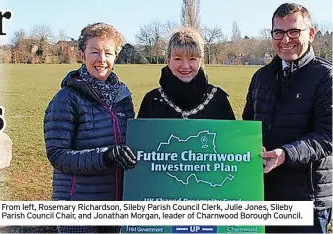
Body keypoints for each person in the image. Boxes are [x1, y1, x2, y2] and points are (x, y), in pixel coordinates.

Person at [242, 3, 332, 233]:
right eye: (278, 32)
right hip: (264, 194)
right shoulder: (261, 77)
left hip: (307, 198)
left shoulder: (326, 76)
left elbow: (327, 136)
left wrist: (286, 154)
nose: (285, 40)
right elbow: (248, 125)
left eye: (294, 32)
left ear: (310, 33)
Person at [43, 22, 136, 233]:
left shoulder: (123, 96)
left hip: (115, 205)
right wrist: (105, 156)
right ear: (82, 54)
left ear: (116, 57)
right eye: (94, 52)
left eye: (108, 53)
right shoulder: (66, 99)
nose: (102, 59)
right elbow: (58, 155)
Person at [137, 27, 235, 120]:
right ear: (168, 61)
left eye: (192, 59)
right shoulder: (152, 101)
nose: (185, 66)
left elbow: (231, 136)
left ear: (200, 61)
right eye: (178, 59)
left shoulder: (218, 99)